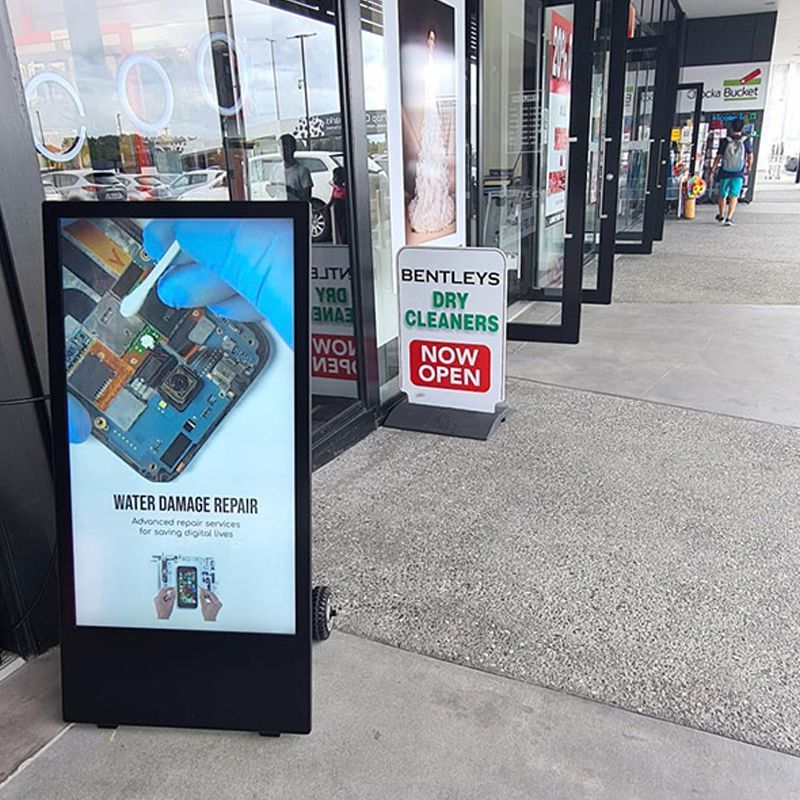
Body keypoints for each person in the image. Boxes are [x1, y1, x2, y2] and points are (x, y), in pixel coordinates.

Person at [407, 26, 455, 235]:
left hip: (433, 111)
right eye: (430, 39)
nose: (431, 43)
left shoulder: (436, 67)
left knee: (434, 159)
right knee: (428, 157)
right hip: (429, 111)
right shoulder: (425, 68)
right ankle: (429, 203)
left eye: (433, 40)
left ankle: (435, 204)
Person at [712, 118, 753, 226]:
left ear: (731, 127)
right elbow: (750, 156)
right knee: (734, 195)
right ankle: (729, 218)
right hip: (738, 172)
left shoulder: (725, 141)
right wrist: (748, 167)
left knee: (722, 194)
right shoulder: (746, 141)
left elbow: (718, 156)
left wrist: (713, 168)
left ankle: (721, 215)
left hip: (725, 171)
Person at [270, 133, 313, 203]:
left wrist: (288, 189)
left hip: (296, 210)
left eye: (286, 147)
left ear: (293, 148)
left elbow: (306, 197)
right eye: (281, 147)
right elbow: (272, 194)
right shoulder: (275, 169)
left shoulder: (303, 171)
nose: (283, 150)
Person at [327, 165, 348, 244]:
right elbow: (332, 198)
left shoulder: (346, 186)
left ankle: (345, 241)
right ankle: (342, 241)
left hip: (343, 205)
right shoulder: (336, 187)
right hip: (337, 205)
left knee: (344, 226)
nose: (334, 178)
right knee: (339, 226)